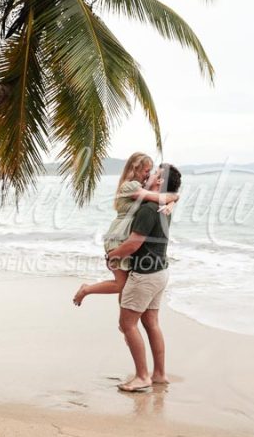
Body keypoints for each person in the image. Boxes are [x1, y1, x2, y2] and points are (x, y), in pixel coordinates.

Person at [105, 163, 182, 392]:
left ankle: (142, 377)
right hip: (160, 272)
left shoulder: (149, 209)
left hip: (145, 275)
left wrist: (113, 255)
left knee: (127, 324)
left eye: (155, 174)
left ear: (159, 182)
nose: (149, 175)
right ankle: (159, 374)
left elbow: (134, 243)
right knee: (151, 323)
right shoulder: (163, 206)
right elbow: (170, 197)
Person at [73, 153, 179, 306]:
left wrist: (172, 202)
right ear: (135, 169)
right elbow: (159, 197)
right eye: (146, 171)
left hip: (123, 237)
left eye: (151, 172)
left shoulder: (142, 188)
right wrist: (173, 200)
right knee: (121, 284)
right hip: (117, 238)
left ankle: (124, 322)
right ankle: (86, 290)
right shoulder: (129, 186)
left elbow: (163, 196)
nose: (148, 175)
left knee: (125, 285)